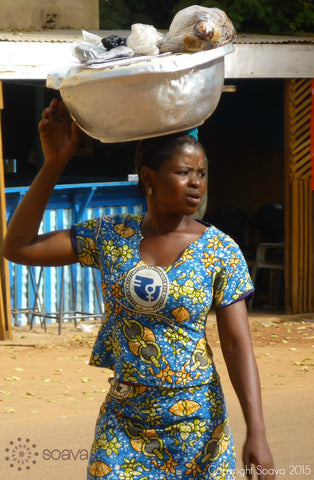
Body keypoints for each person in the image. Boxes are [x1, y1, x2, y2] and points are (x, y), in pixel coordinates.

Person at [2, 99, 275, 480]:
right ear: (148, 178)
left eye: (202, 172)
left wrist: (257, 432)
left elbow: (236, 343)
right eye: (183, 172)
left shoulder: (220, 249)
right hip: (125, 422)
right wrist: (54, 163)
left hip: (197, 427)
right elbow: (18, 247)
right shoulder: (111, 236)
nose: (196, 182)